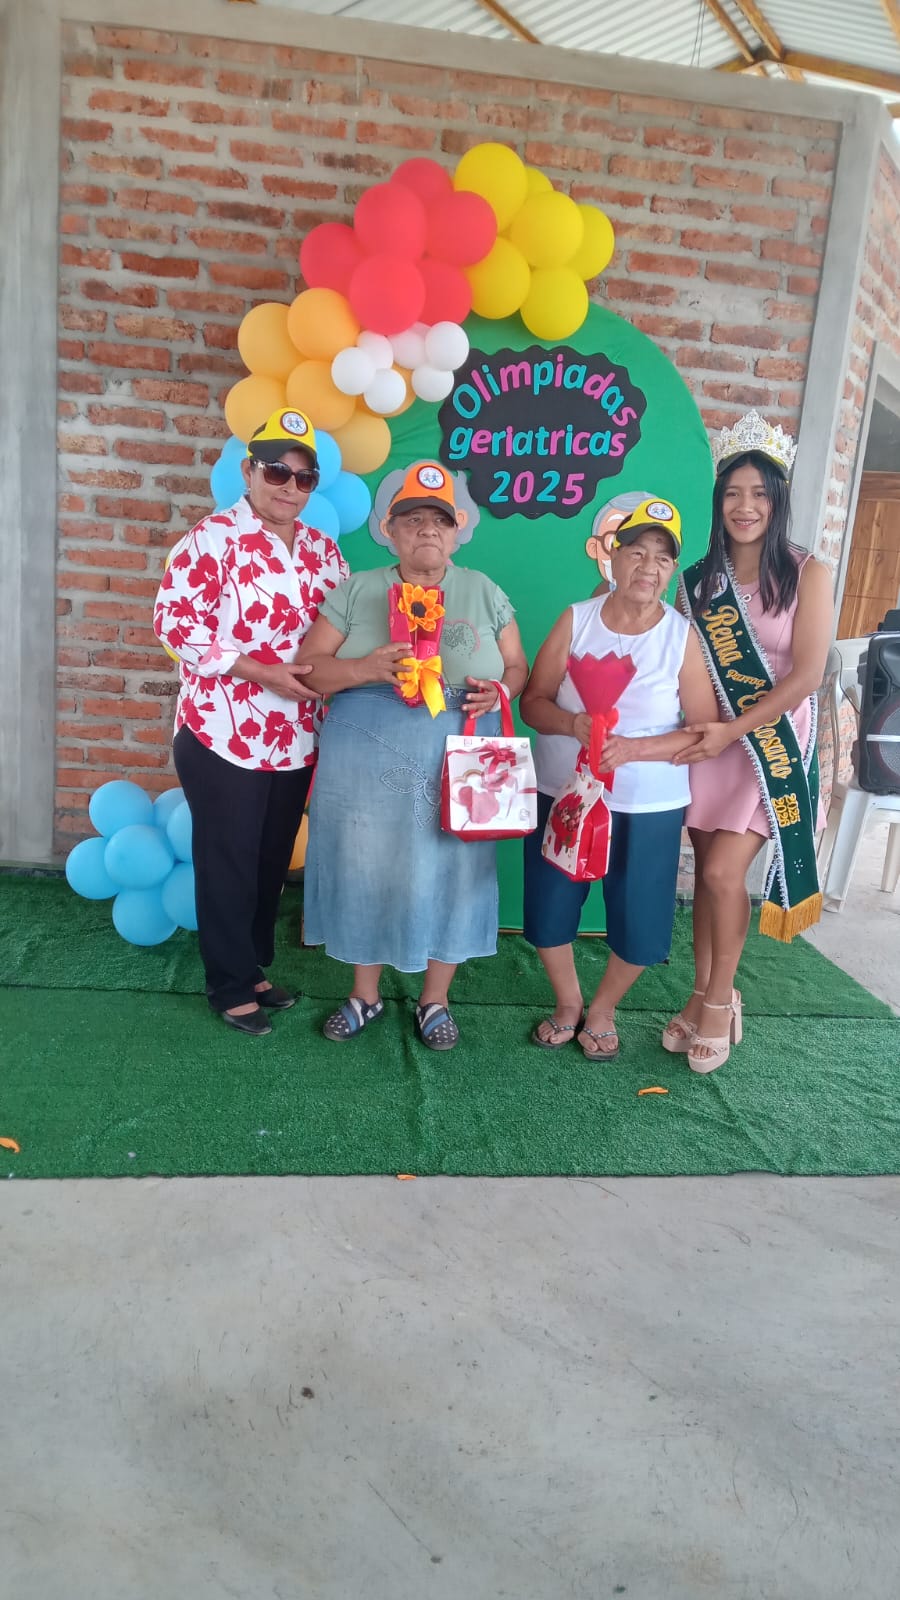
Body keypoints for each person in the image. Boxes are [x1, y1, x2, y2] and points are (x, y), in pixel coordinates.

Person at [296, 460, 528, 1051]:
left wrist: (501, 692)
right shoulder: (357, 589)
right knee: (363, 861)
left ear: (457, 531)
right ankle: (365, 994)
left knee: (455, 867)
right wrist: (364, 668)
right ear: (389, 530)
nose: (427, 530)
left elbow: (517, 666)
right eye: (412, 519)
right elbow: (310, 669)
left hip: (462, 752)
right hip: (365, 757)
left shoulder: (484, 590)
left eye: (439, 520)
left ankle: (435, 999)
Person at [153, 407, 348, 1036]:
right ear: (249, 471)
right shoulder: (209, 540)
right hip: (222, 732)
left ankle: (254, 968)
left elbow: (345, 627)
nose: (289, 487)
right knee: (229, 860)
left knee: (269, 860)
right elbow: (174, 625)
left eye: (303, 478)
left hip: (296, 736)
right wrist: (259, 671)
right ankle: (229, 985)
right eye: (277, 472)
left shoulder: (323, 550)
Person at [663, 412, 833, 1073]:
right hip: (711, 745)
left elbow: (808, 675)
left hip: (769, 750)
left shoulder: (808, 573)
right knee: (708, 878)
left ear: (778, 499)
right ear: (718, 500)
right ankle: (705, 992)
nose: (745, 506)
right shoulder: (698, 580)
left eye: (760, 493)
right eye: (733, 492)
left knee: (721, 874)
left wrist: (734, 731)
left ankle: (716, 1003)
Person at [520, 497, 719, 1059]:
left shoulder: (680, 636)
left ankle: (603, 1009)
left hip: (647, 804)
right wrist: (573, 724)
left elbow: (704, 731)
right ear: (613, 556)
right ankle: (567, 1003)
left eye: (662, 557)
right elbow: (533, 703)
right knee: (550, 903)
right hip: (565, 793)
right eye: (637, 551)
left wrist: (634, 749)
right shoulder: (576, 619)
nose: (648, 567)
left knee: (640, 915)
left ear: (672, 570)